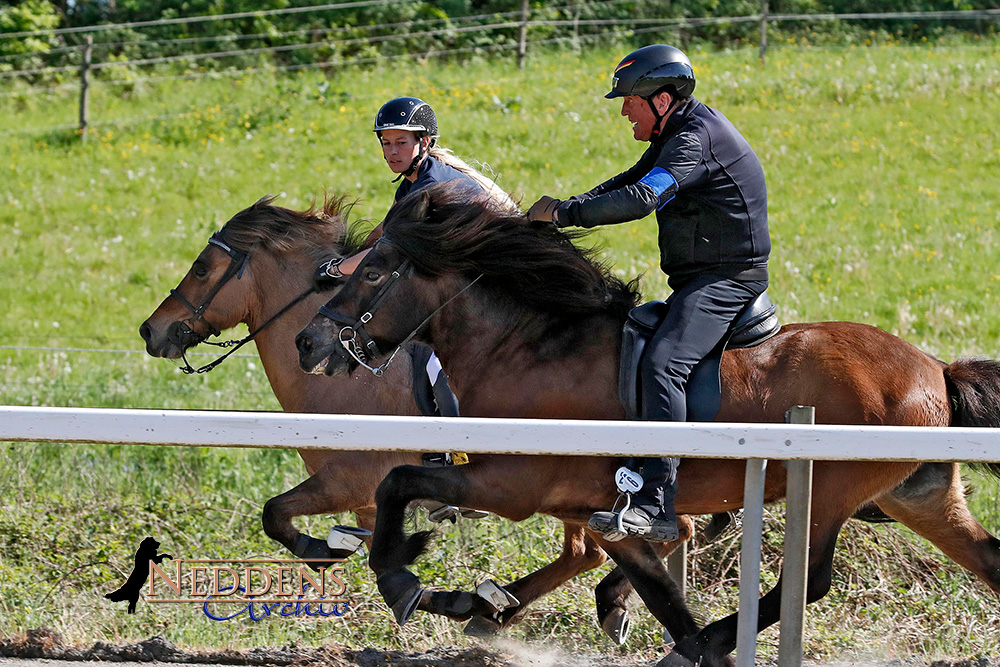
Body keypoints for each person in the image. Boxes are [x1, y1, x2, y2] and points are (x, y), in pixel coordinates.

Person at [527, 45, 770, 543]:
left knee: (665, 363)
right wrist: (567, 207)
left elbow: (642, 198)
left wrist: (565, 216)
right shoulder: (677, 131)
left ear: (660, 99)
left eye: (628, 100)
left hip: (728, 280)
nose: (622, 110)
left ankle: (655, 502)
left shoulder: (694, 138)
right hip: (699, 280)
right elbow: (629, 179)